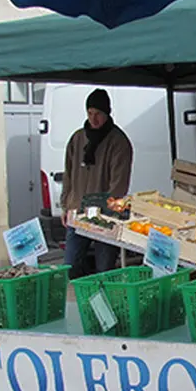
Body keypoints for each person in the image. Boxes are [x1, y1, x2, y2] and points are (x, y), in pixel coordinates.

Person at [61, 88, 133, 278]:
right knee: (70, 267)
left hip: (105, 218)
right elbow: (68, 175)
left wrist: (104, 211)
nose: (94, 119)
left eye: (98, 114)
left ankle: (104, 304)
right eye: (90, 113)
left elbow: (119, 185)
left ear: (107, 113)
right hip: (77, 213)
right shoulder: (77, 139)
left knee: (104, 271)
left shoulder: (118, 142)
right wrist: (65, 206)